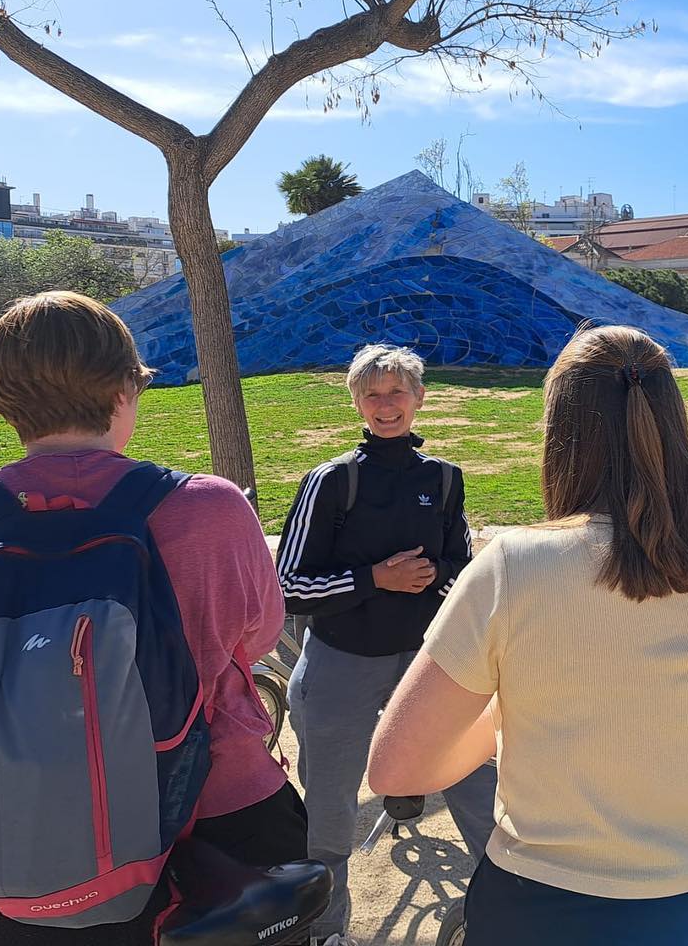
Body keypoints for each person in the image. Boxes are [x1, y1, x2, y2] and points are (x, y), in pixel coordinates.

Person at [364, 325, 688, 946]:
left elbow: (398, 768)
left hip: (552, 906)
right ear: (673, 417)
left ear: (560, 430)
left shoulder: (515, 566)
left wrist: (508, 718)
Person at [0, 291, 306, 946]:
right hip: (217, 818)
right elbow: (259, 635)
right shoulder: (210, 509)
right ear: (127, 387)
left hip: (20, 834)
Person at [276, 343, 494, 946]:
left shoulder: (445, 479)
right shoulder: (332, 481)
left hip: (426, 662)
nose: (386, 404)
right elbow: (288, 586)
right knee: (330, 809)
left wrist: (433, 579)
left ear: (420, 398)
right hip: (340, 664)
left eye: (397, 391)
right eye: (372, 393)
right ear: (356, 402)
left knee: (477, 781)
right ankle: (327, 929)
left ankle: (503, 906)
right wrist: (376, 578)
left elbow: (463, 571)